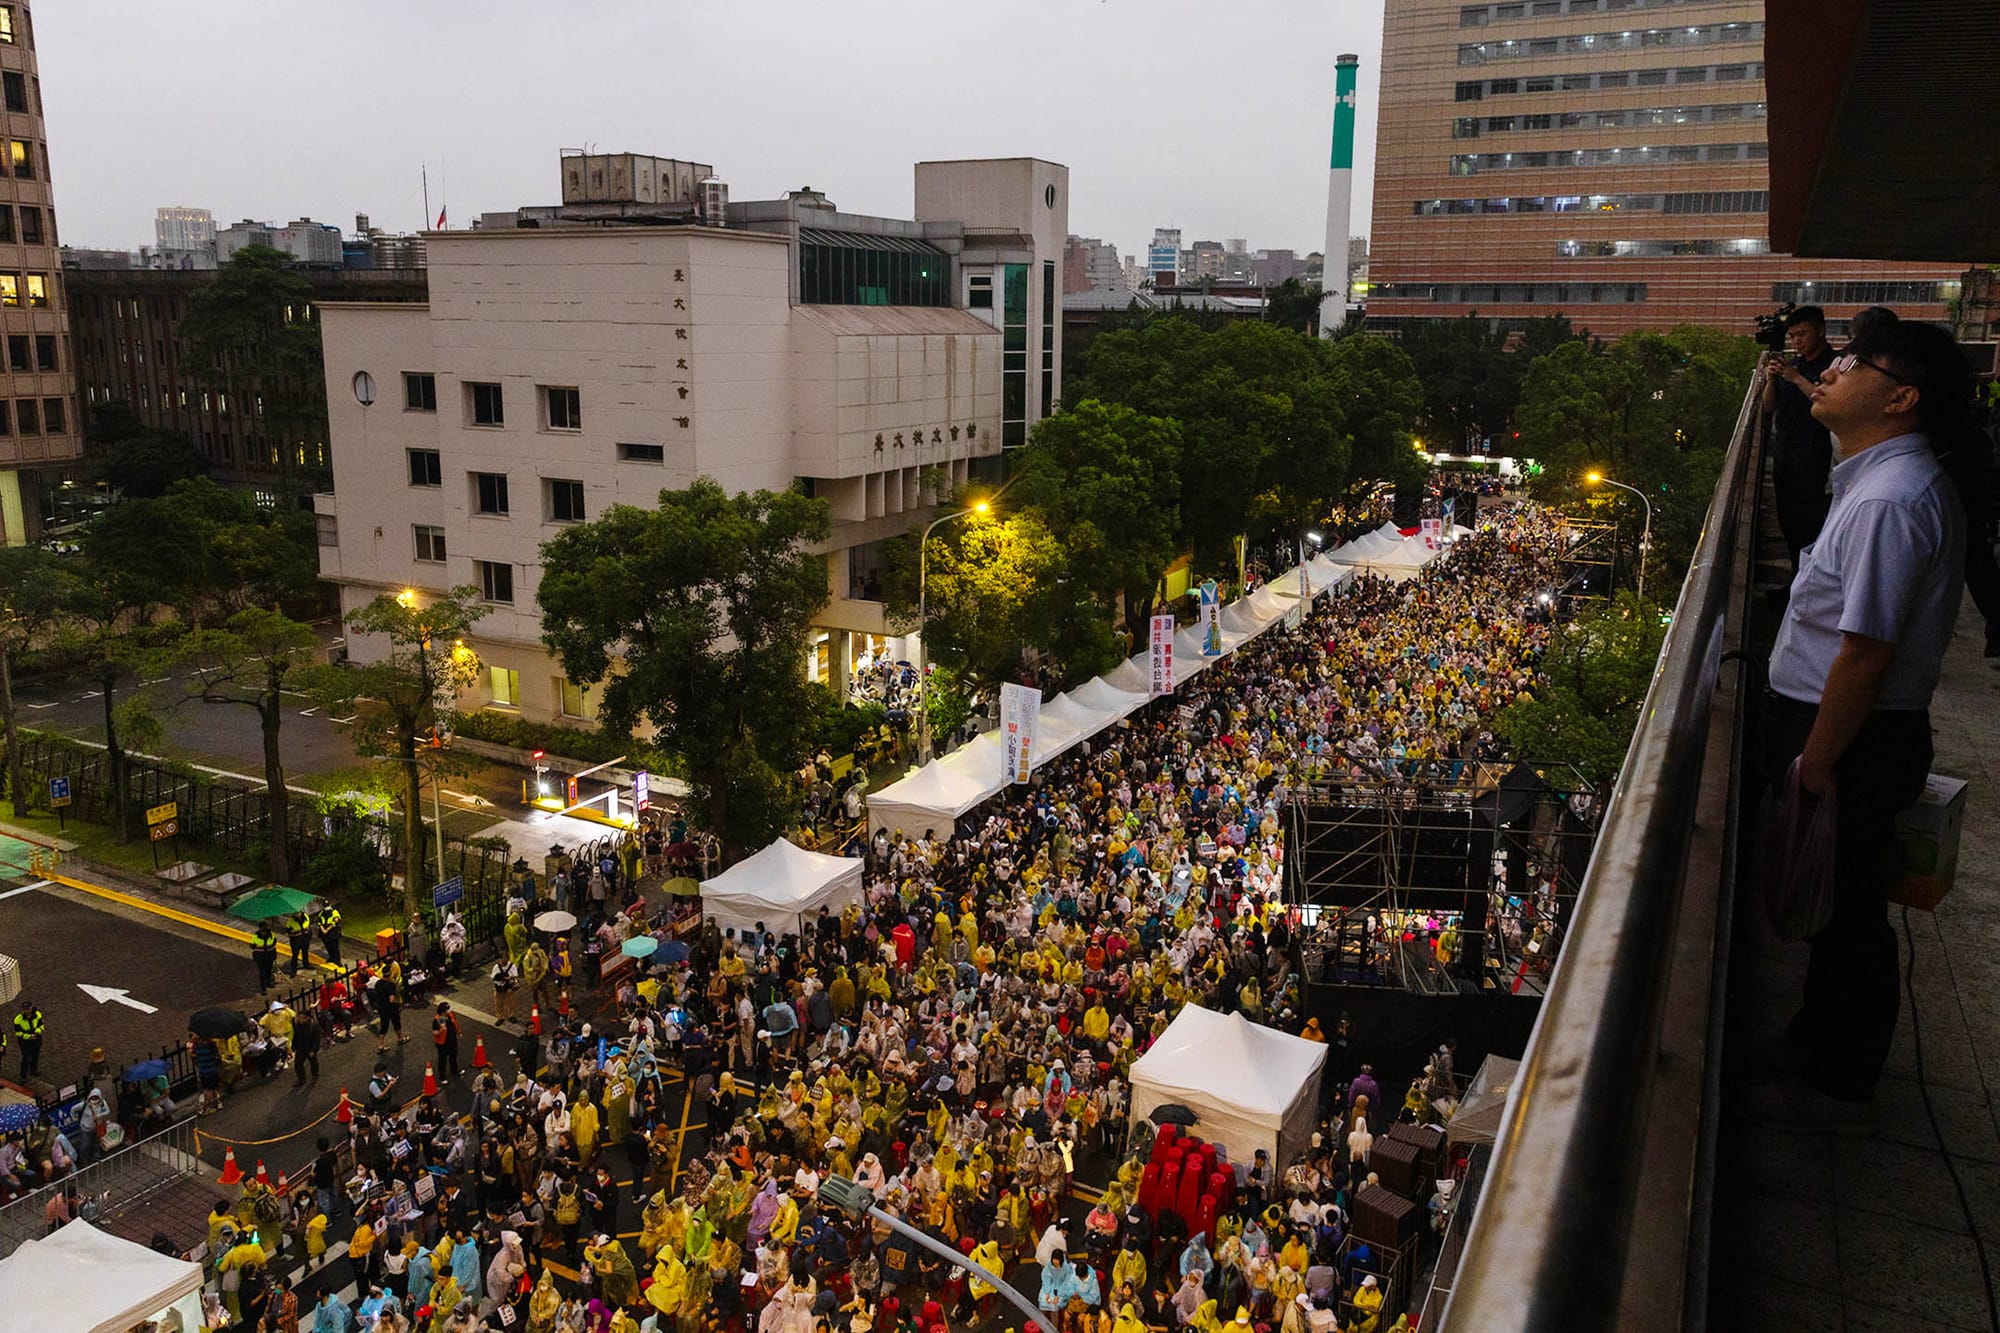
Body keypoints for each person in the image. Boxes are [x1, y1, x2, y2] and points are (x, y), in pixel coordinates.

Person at [1752, 319, 1973, 1132]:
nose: (1832, 369)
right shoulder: (1877, 481)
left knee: (1849, 916)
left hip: (1849, 735)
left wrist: (1815, 760)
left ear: (1902, 396)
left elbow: (1865, 653)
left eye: (1856, 362)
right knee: (1841, 906)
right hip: (1846, 730)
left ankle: (1841, 1073)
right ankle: (1820, 1041)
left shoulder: (1890, 499)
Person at [1761, 305, 1840, 569]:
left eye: (1802, 334)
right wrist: (1772, 379)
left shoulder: (1833, 366)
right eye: (1792, 336)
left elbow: (1830, 403)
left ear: (1820, 330)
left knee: (1811, 526)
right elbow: (1769, 406)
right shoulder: (1793, 365)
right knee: (1788, 522)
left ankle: (1808, 580)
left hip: (1815, 455)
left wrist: (1796, 378)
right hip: (1785, 452)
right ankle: (1795, 577)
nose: (1797, 341)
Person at [12, 1000, 43, 1080]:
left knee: (35, 1056)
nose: (27, 1010)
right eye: (25, 1009)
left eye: (28, 1008)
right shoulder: (18, 1019)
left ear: (31, 1007)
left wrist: (37, 1032)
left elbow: (41, 1026)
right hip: (25, 1042)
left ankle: (34, 1071)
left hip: (36, 1038)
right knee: (26, 1057)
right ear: (22, 1010)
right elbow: (18, 1033)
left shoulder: (37, 1014)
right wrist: (28, 1036)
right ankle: (23, 1075)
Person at [432, 1003, 462, 1084]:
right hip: (442, 1043)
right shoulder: (438, 1019)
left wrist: (459, 1032)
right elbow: (434, 1032)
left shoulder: (450, 1015)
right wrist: (440, 1031)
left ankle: (454, 1071)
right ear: (442, 1011)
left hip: (452, 1040)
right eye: (447, 1009)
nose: (449, 1011)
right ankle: (442, 1077)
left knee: (453, 1055)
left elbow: (455, 1023)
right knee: (443, 1059)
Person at [253, 923, 281, 993]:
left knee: (269, 970)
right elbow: (253, 947)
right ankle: (263, 988)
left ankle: (269, 983)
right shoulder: (256, 937)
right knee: (262, 973)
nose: (263, 932)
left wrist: (274, 955)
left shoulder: (271, 935)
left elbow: (274, 945)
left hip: (269, 956)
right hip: (261, 958)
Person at [288, 911, 315, 976]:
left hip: (305, 939)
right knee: (295, 955)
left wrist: (308, 937)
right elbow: (288, 932)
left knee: (305, 952)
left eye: (299, 913)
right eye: (296, 913)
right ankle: (293, 969)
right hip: (296, 941)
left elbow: (308, 928)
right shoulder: (290, 922)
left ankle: (306, 964)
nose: (298, 914)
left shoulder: (306, 917)